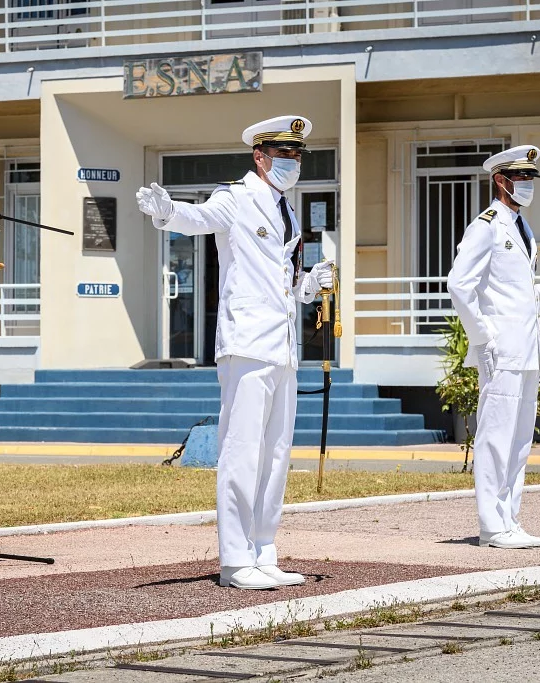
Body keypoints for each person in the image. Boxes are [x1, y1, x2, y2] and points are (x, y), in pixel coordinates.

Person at [136, 116, 335, 589]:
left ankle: (263, 550)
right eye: (283, 155)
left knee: (276, 455)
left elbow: (286, 282)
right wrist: (167, 212)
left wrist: (311, 284)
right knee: (242, 451)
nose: (292, 163)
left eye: (297, 155)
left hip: (282, 346)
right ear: (259, 157)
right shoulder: (236, 197)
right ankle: (235, 559)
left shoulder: (287, 210)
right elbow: (199, 218)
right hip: (246, 343)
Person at [447, 144, 540, 550]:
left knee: (518, 441)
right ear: (500, 180)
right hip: (500, 351)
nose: (528, 184)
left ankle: (510, 519)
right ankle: (491, 526)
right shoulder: (487, 226)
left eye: (531, 177)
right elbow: (459, 285)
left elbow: (509, 289)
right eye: (521, 177)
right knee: (495, 438)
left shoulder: (521, 227)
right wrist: (483, 336)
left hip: (525, 350)